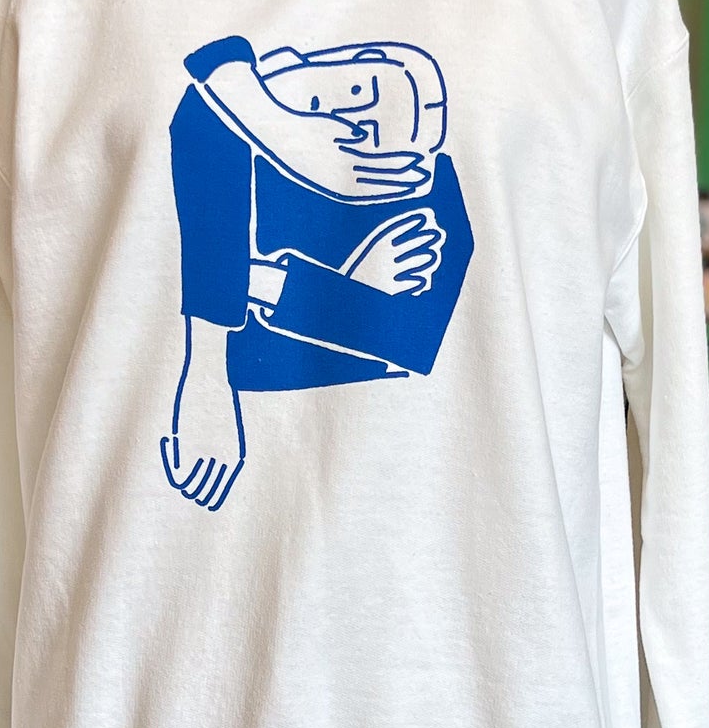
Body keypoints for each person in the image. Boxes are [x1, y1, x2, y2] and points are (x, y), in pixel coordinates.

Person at [161, 34, 474, 511]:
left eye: (368, 135)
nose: (344, 120)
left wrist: (332, 296)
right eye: (360, 91)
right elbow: (205, 94)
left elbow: (417, 337)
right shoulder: (235, 112)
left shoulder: (434, 203)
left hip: (379, 492)